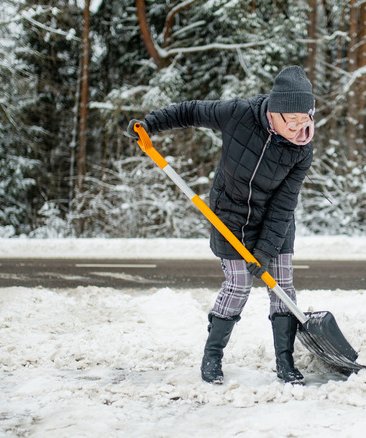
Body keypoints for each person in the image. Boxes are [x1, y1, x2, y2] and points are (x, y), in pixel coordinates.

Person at [126, 66, 315, 384]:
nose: (300, 128)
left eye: (305, 119)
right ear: (274, 111)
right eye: (292, 121)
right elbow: (190, 111)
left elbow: (284, 204)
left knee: (281, 288)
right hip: (229, 216)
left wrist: (265, 251)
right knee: (238, 285)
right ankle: (212, 358)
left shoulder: (302, 149)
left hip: (274, 222)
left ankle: (285, 361)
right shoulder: (238, 113)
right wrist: (150, 125)